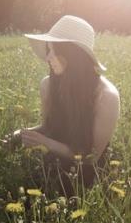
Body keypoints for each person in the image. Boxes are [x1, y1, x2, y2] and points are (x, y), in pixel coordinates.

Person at [8, 15, 120, 197]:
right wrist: (21, 134)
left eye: (54, 50)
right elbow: (48, 127)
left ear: (73, 54)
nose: (48, 57)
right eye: (48, 49)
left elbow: (91, 157)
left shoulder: (106, 96)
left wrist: (46, 143)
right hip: (52, 160)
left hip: (85, 176)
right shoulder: (47, 84)